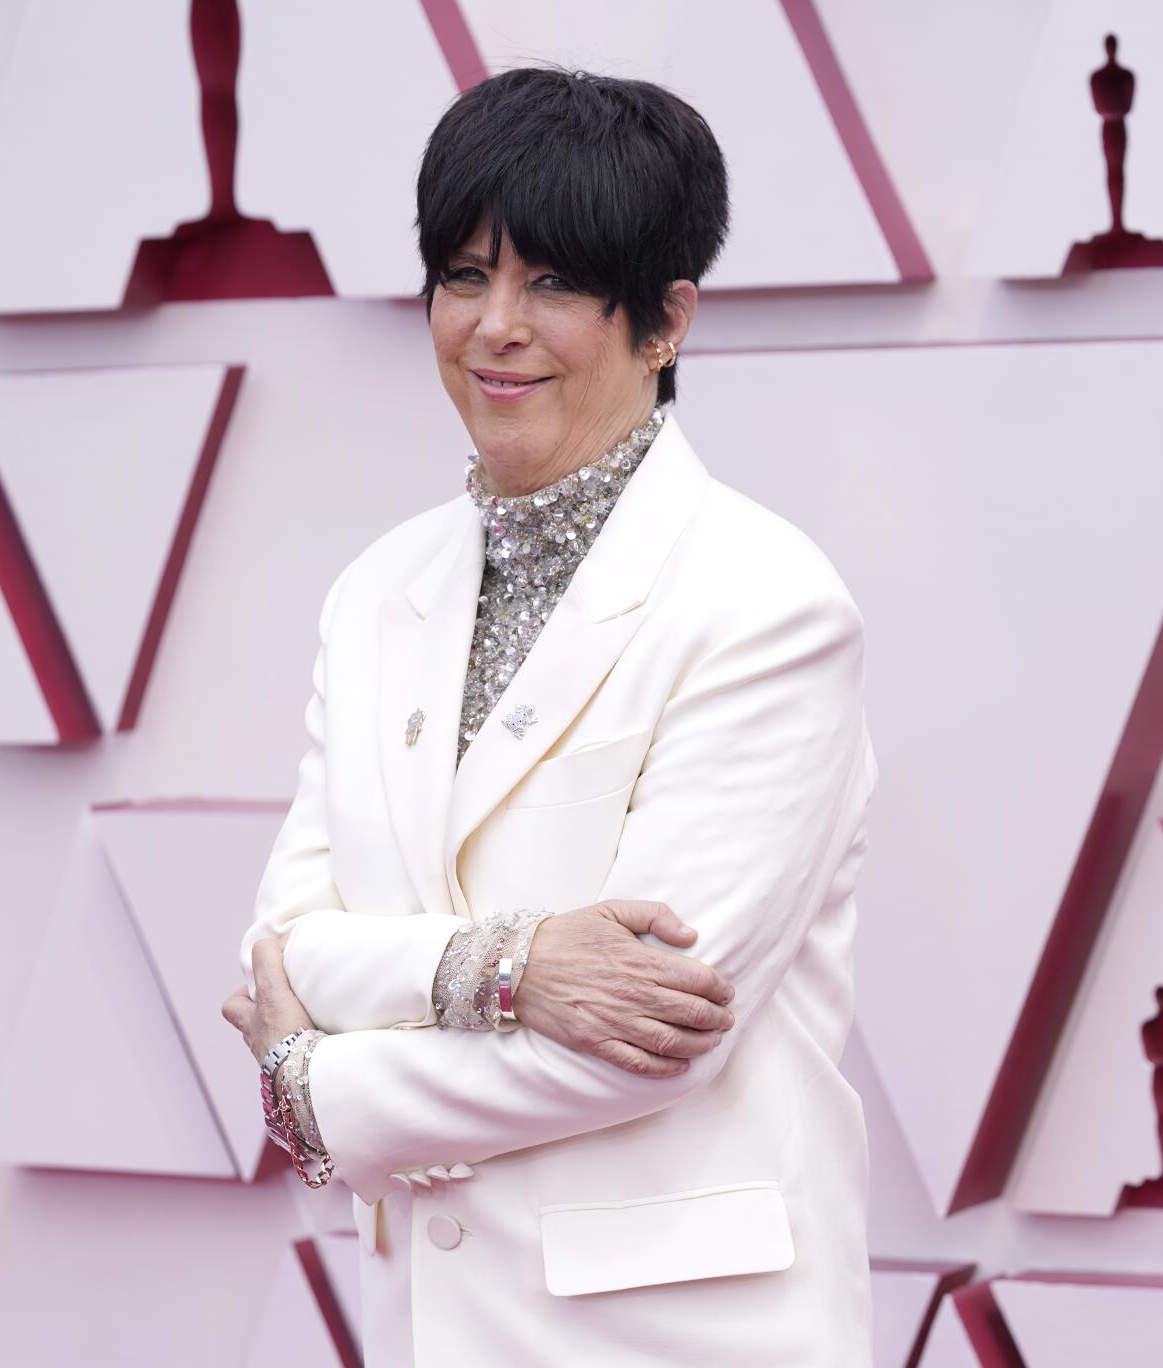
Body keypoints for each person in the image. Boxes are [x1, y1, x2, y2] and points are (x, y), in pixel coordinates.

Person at [222, 66, 877, 1366]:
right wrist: (508, 965)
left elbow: (647, 1043)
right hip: (428, 1329)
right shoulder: (377, 594)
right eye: (464, 278)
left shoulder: (766, 604)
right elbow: (284, 952)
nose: (495, 327)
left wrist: (312, 1088)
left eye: (556, 285)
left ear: (666, 320)